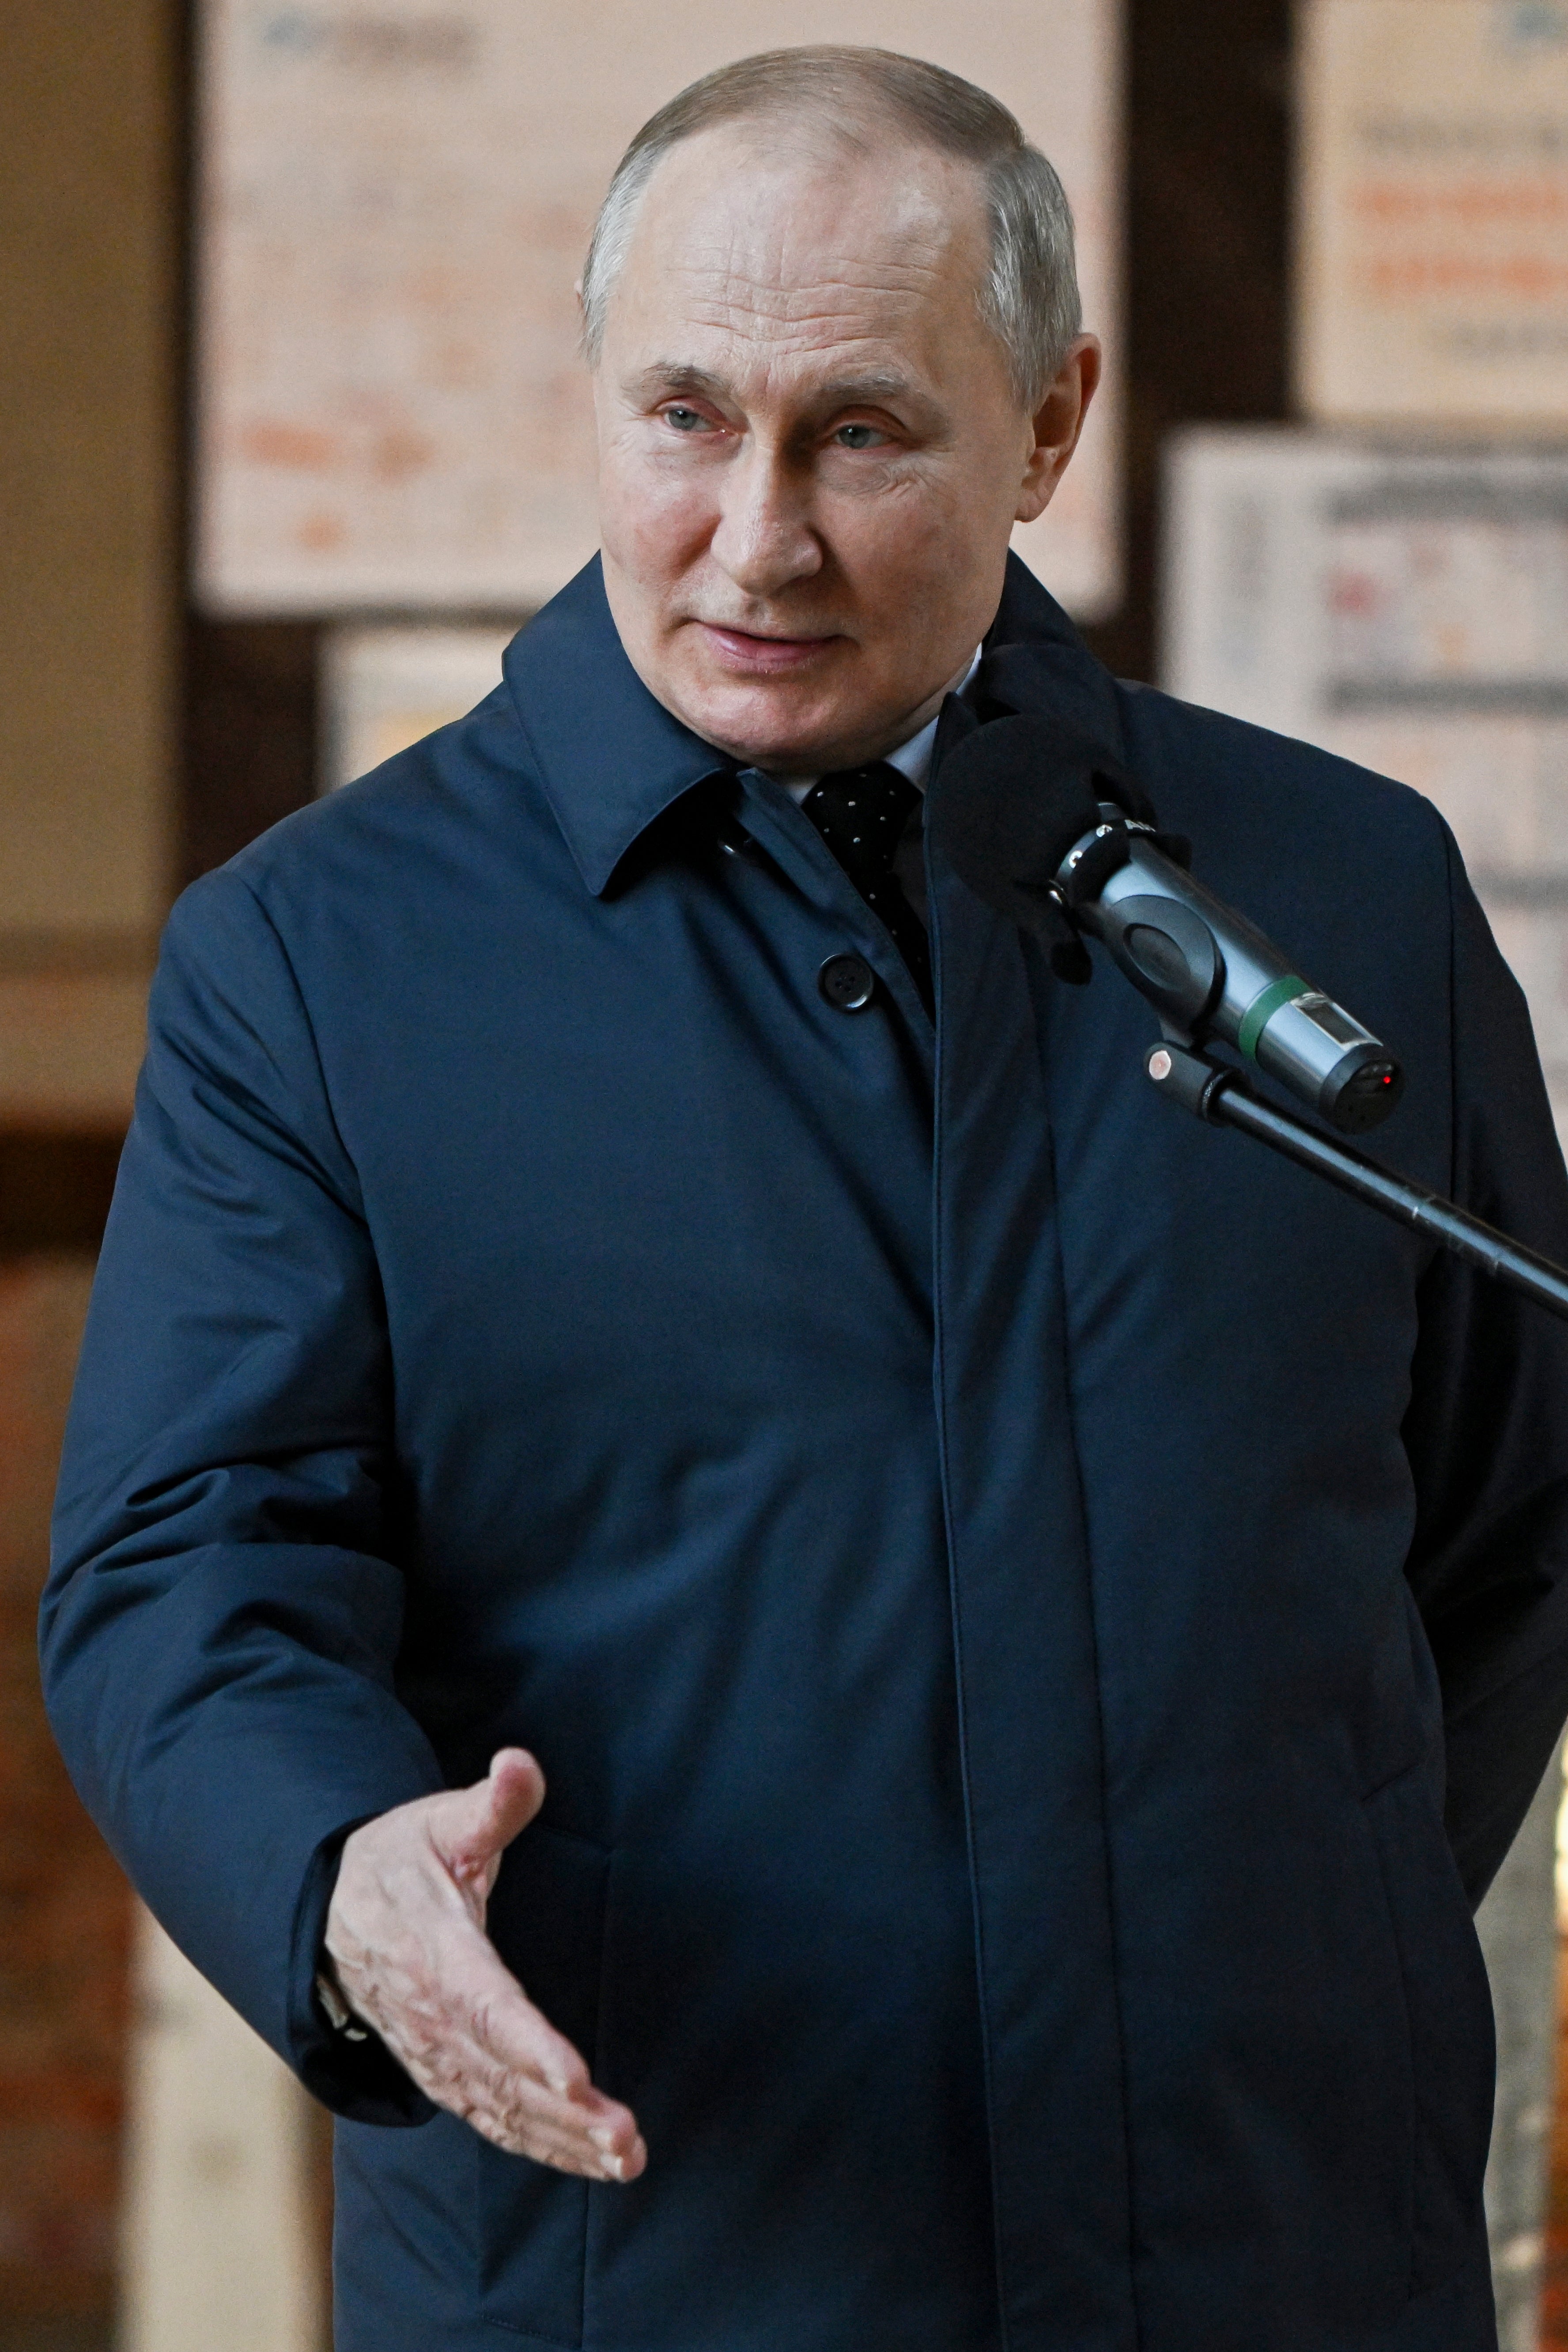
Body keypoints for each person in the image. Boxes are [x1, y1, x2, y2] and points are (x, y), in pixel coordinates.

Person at [42, 44, 1568, 2352]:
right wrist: (341, 1876)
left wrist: (1266, 1946)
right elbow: (188, 1577)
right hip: (641, 2263)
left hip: (1278, 2261)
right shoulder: (318, 963)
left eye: (860, 430)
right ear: (594, 400)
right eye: (683, 417)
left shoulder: (1344, 893)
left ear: (1049, 425)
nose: (756, 535)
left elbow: (1499, 1524)